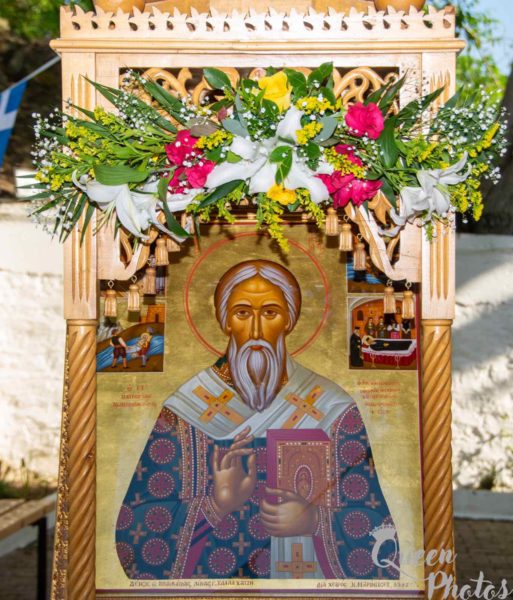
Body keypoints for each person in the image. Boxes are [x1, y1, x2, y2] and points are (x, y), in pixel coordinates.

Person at [116, 260, 399, 580]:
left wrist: (314, 521)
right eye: (242, 313)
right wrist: (214, 506)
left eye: (270, 313)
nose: (255, 331)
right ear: (225, 321)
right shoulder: (183, 410)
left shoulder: (333, 408)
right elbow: (133, 532)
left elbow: (378, 529)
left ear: (289, 321)